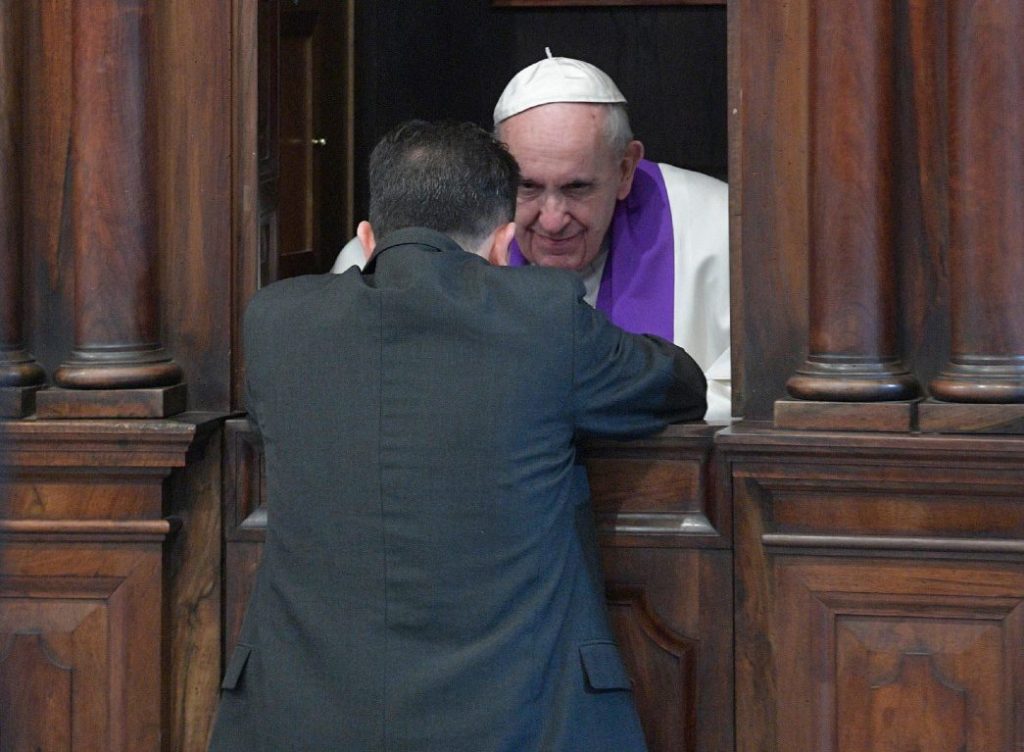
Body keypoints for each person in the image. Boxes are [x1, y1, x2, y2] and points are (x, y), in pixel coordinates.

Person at [209, 120, 707, 751]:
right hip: (518, 723)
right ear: (503, 245)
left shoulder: (276, 324)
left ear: (367, 239)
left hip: (302, 720)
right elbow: (680, 385)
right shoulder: (543, 317)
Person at [332, 52, 731, 420]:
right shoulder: (423, 238)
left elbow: (736, 400)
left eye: (577, 187)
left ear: (625, 169)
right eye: (527, 187)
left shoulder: (716, 226)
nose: (553, 220)